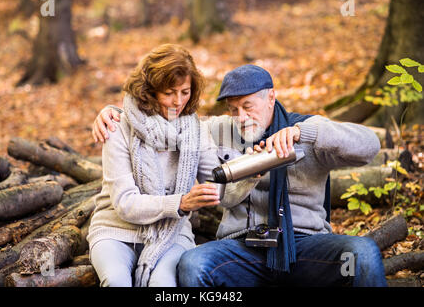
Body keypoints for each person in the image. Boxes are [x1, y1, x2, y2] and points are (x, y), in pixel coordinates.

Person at [92, 64, 387, 287]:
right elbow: (166, 123)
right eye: (234, 109)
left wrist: (303, 132)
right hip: (242, 247)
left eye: (248, 107)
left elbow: (369, 146)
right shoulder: (218, 130)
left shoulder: (307, 131)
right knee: (194, 264)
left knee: (361, 252)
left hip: (302, 244)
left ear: (272, 97)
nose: (241, 118)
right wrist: (114, 112)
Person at [86, 43, 223, 287]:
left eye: (185, 92)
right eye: (169, 92)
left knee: (164, 285)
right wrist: (179, 203)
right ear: (149, 90)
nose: (178, 102)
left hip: (173, 232)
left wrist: (250, 173)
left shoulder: (195, 130)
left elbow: (218, 181)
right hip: (116, 230)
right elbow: (125, 204)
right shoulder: (117, 127)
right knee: (116, 281)